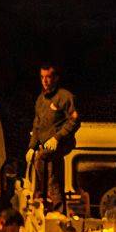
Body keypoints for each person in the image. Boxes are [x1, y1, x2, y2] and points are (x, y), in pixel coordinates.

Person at [26, 64, 80, 208]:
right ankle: (44, 199)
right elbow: (37, 125)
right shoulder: (40, 100)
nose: (45, 81)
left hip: (61, 142)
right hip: (45, 143)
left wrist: (57, 137)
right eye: (42, 77)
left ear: (55, 78)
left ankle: (51, 200)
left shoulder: (65, 96)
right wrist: (31, 146)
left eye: (48, 77)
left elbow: (74, 120)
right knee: (40, 160)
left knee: (46, 165)